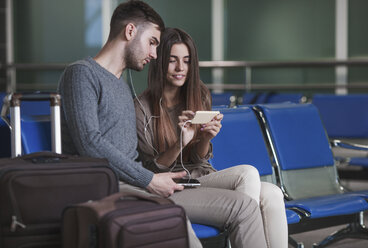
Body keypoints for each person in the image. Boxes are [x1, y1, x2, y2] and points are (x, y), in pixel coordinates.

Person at [58, 1, 267, 247]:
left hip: (141, 185)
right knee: (185, 222)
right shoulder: (81, 74)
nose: (155, 54)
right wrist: (148, 179)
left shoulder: (122, 84)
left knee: (244, 206)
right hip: (118, 189)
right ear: (130, 31)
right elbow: (89, 143)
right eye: (153, 42)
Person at [134, 27, 288, 248]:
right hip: (174, 184)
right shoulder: (141, 109)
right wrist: (180, 142)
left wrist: (206, 137)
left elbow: (200, 158)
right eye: (172, 61)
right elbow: (152, 171)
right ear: (159, 63)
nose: (180, 68)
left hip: (201, 176)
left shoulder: (199, 94)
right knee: (247, 173)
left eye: (186, 61)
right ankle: (237, 234)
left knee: (273, 194)